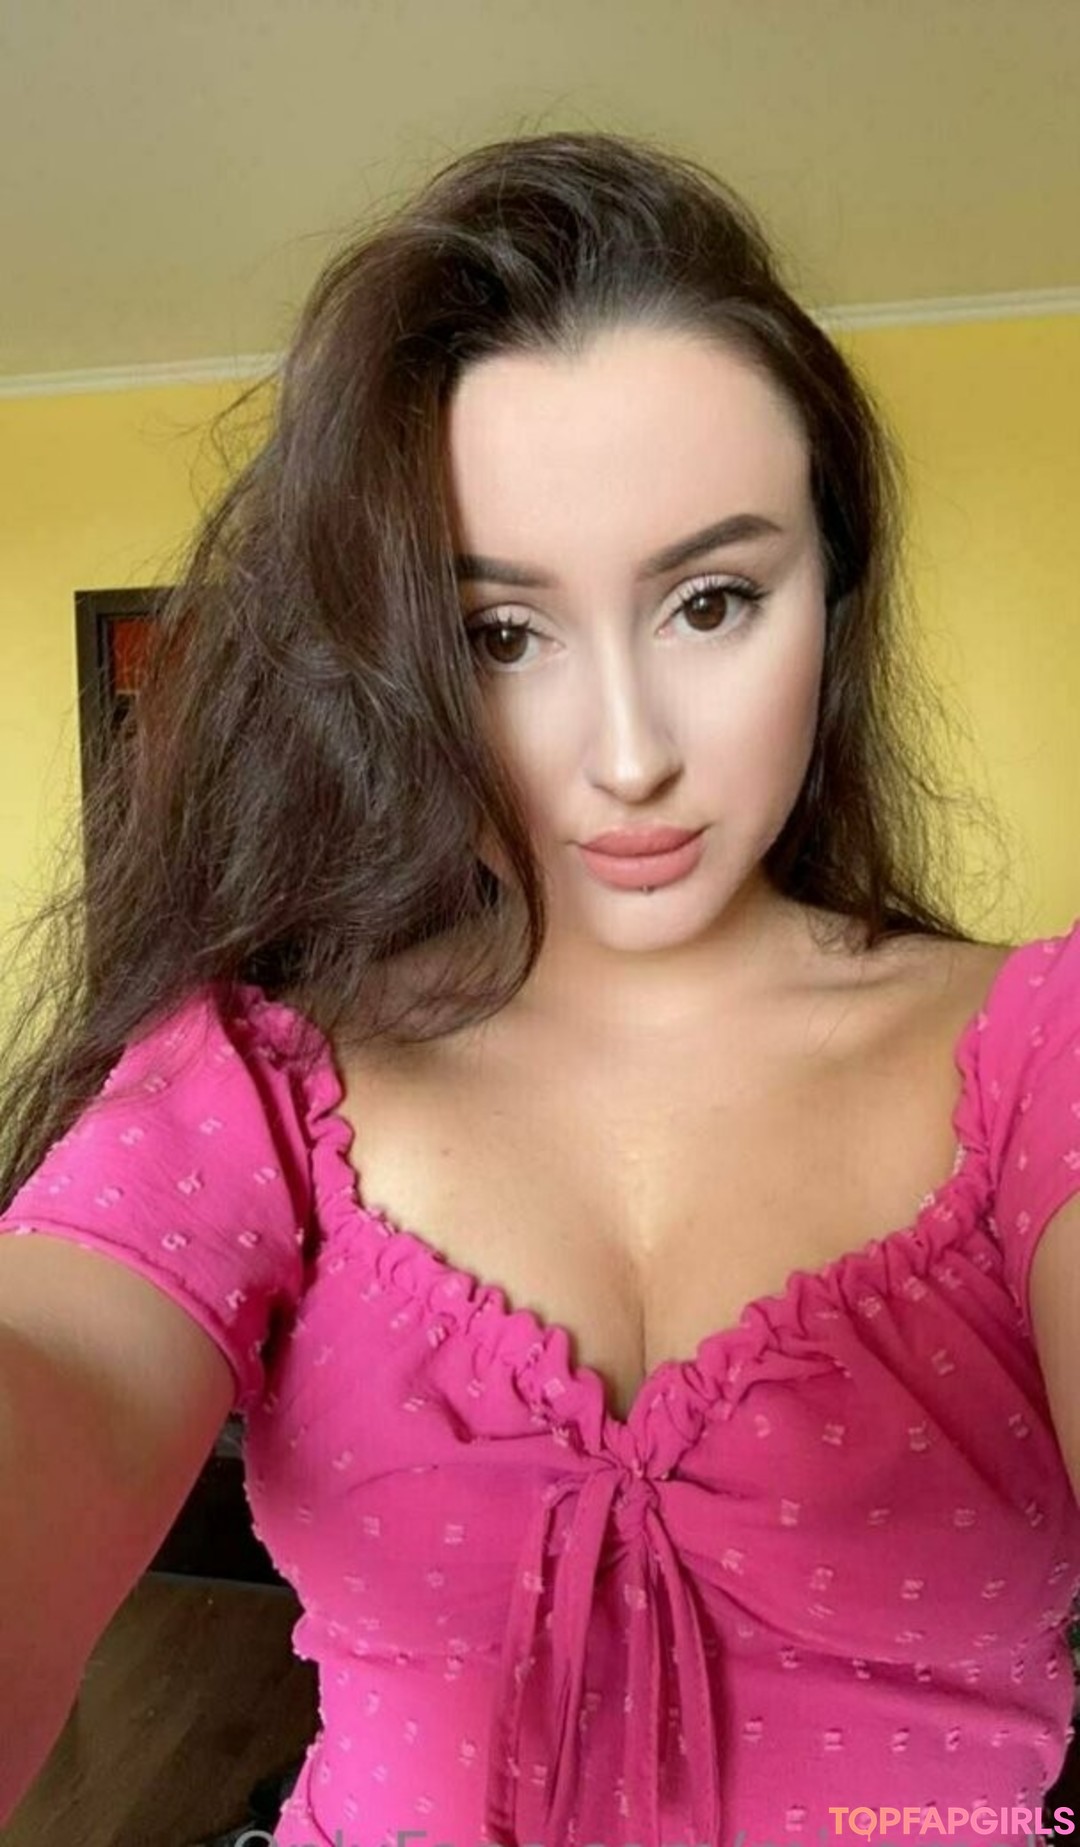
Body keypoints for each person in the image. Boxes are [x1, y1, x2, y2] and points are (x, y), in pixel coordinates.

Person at [0, 128, 1077, 1847]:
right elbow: (50, 1370)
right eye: (501, 635)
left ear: (835, 588)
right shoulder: (255, 1086)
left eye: (712, 602)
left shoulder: (1042, 1059)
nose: (629, 755)